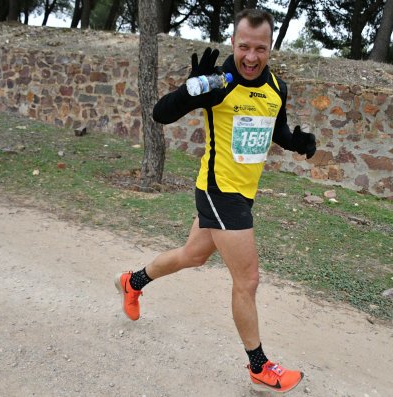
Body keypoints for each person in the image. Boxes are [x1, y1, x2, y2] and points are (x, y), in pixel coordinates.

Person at [114, 8, 316, 394]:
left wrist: (297, 142)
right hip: (219, 191)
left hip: (244, 194)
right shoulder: (218, 83)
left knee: (192, 255)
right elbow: (161, 113)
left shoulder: (276, 88)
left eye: (261, 48)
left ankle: (133, 281)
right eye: (244, 47)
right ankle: (259, 367)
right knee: (248, 280)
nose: (252, 57)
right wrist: (189, 90)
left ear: (271, 48)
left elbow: (277, 129)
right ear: (233, 44)